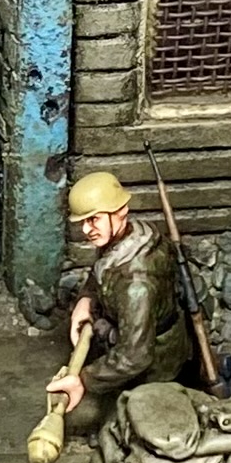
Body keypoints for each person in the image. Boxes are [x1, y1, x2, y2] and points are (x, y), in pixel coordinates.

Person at [47, 168, 187, 433]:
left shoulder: (137, 284)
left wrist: (83, 379)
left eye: (94, 220)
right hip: (130, 332)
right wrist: (86, 299)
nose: (86, 230)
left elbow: (135, 356)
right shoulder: (130, 237)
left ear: (121, 212)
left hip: (152, 363)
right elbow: (103, 269)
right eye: (83, 222)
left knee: (122, 429)